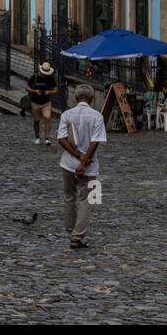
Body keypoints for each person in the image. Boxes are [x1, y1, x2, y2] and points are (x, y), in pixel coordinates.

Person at [57, 83, 107, 251]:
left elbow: (61, 139)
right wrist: (84, 162)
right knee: (85, 200)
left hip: (68, 163)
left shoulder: (66, 114)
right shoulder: (97, 116)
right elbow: (95, 141)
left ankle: (71, 231)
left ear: (75, 98)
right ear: (92, 99)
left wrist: (77, 157)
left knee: (69, 197)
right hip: (90, 166)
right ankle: (77, 237)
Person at [26, 61, 58, 145]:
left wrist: (48, 92)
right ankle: (37, 137)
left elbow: (55, 90)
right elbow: (27, 88)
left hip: (46, 102)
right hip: (35, 102)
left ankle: (47, 138)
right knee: (36, 120)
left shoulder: (51, 79)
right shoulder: (34, 77)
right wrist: (35, 91)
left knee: (47, 118)